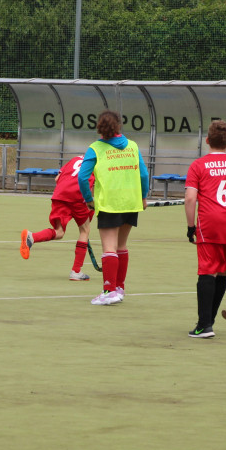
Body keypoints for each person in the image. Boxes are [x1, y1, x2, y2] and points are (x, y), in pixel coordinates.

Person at [184, 120, 226, 339]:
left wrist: (190, 227)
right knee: (222, 271)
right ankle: (209, 321)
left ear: (207, 141)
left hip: (210, 224)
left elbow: (189, 199)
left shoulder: (198, 165)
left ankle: (204, 325)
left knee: (207, 271)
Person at [77, 110, 149, 305]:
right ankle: (119, 288)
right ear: (119, 126)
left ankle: (109, 292)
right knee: (121, 246)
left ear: (99, 127)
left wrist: (88, 199)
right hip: (131, 203)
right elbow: (143, 174)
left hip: (110, 203)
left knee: (109, 247)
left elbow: (82, 177)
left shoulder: (95, 148)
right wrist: (143, 196)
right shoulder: (132, 146)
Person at [19, 154, 95, 281]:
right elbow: (90, 186)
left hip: (60, 194)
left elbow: (57, 178)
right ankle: (76, 271)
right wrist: (91, 204)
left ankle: (31, 237)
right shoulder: (97, 164)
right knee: (85, 230)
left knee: (59, 232)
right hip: (77, 196)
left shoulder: (76, 159)